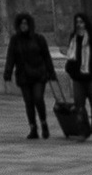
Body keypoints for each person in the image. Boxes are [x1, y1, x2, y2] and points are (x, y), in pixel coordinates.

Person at [4, 11, 57, 141]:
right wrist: (8, 73)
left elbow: (46, 56)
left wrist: (51, 72)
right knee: (28, 102)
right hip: (24, 75)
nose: (23, 26)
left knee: (38, 98)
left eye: (25, 23)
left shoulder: (39, 39)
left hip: (39, 73)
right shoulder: (15, 40)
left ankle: (43, 122)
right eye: (21, 23)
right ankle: (33, 127)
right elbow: (10, 57)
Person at [66, 8, 92, 141]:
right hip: (78, 78)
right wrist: (72, 71)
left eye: (82, 22)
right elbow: (71, 58)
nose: (79, 25)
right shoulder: (73, 40)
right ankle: (83, 131)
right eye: (77, 22)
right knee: (79, 105)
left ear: (86, 24)